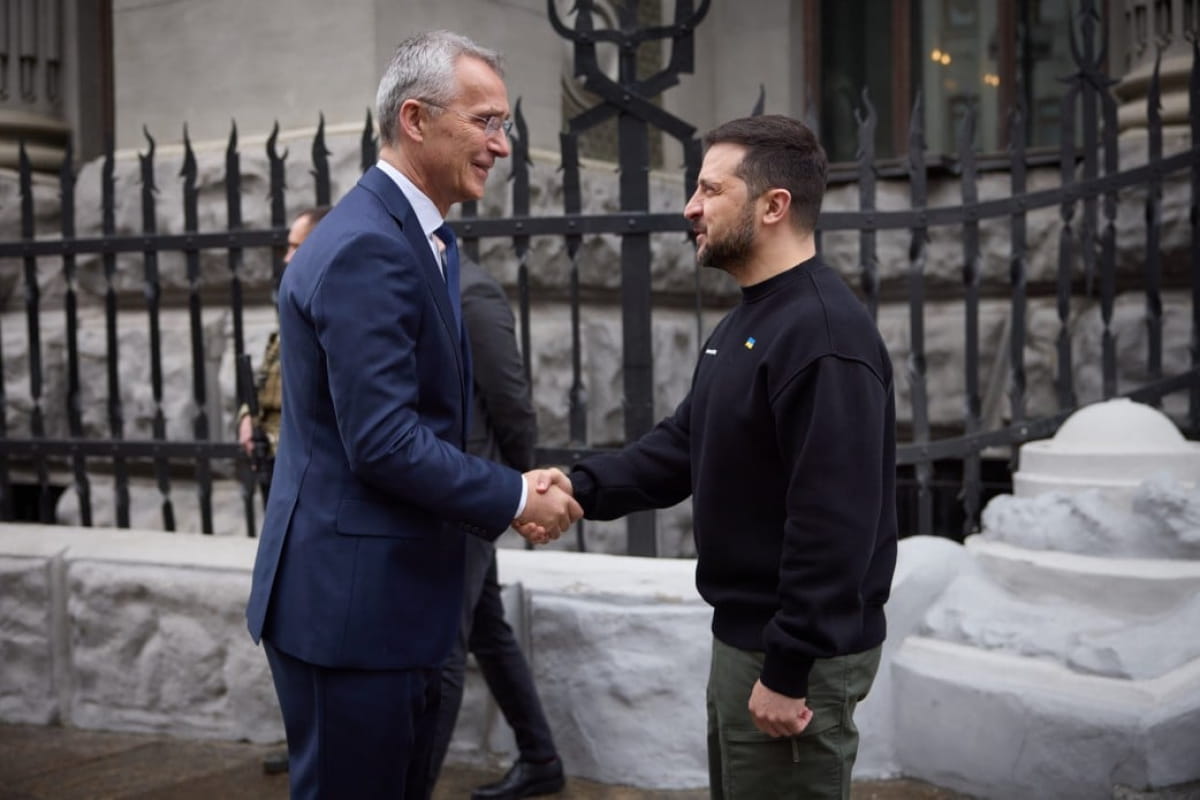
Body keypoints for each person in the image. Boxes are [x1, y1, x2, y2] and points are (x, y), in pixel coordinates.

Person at [245, 31, 581, 799]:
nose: (502, 144)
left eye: (504, 124)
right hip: (352, 614)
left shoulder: (417, 236)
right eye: (486, 121)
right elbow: (385, 441)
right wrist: (514, 494)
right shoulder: (369, 245)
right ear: (416, 119)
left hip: (386, 603)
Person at [552, 115, 898, 799]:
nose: (691, 207)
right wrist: (575, 487)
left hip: (792, 660)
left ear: (774, 205)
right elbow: (682, 447)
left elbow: (833, 521)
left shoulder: (825, 335)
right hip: (748, 642)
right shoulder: (749, 320)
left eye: (710, 190)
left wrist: (788, 668)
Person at [428, 257, 565, 800]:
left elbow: (511, 402)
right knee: (486, 627)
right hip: (444, 494)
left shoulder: (472, 293)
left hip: (469, 493)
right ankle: (541, 758)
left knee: (443, 649)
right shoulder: (416, 281)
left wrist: (521, 493)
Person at [237, 206, 332, 469]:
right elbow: (265, 380)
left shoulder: (330, 313)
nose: (287, 258)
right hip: (274, 459)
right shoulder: (295, 304)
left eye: (295, 248)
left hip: (303, 462)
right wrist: (247, 418)